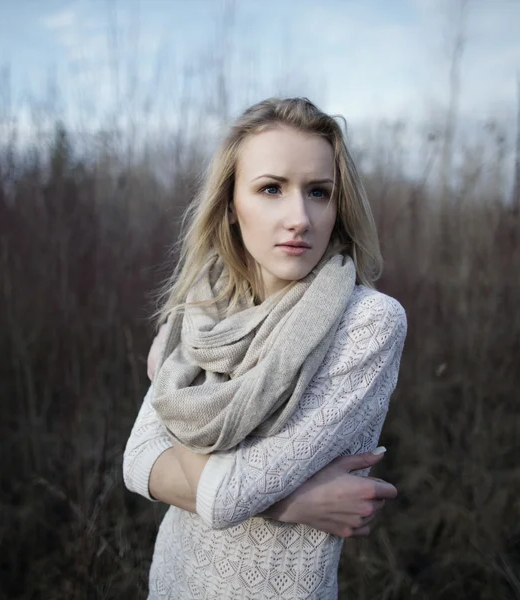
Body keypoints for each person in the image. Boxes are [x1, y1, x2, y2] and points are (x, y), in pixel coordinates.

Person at [123, 97, 407, 599]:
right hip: (173, 581)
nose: (299, 217)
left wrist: (171, 392)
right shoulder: (200, 310)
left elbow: (231, 494)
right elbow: (138, 463)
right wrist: (296, 502)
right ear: (232, 206)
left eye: (318, 192)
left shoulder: (367, 322)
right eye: (271, 189)